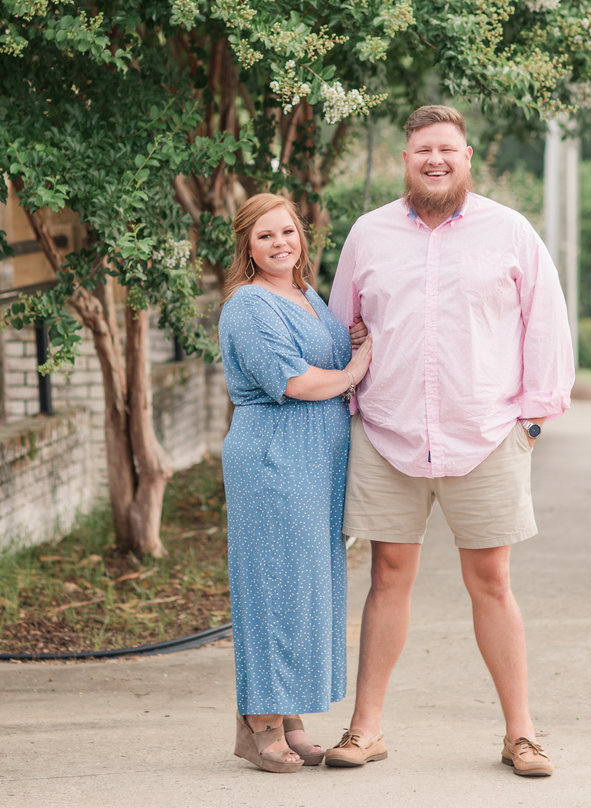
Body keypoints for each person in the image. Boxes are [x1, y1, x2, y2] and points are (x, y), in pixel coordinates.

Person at [324, 104, 575, 778]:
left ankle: (520, 735)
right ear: (405, 161)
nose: (435, 160)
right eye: (422, 151)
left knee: (492, 581)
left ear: (469, 157)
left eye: (447, 150)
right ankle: (365, 728)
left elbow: (545, 321)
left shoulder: (510, 232)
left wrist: (533, 416)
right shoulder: (369, 235)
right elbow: (337, 324)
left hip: (486, 433)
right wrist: (350, 396)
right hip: (388, 433)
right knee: (388, 577)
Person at [219, 192, 372, 774]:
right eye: (266, 237)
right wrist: (356, 368)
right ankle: (259, 723)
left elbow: (328, 353)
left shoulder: (306, 294)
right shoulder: (249, 306)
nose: (281, 243)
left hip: (318, 461)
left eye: (288, 232)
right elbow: (295, 382)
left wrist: (351, 343)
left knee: (310, 586)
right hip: (274, 458)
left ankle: (292, 717)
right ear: (247, 247)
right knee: (273, 587)